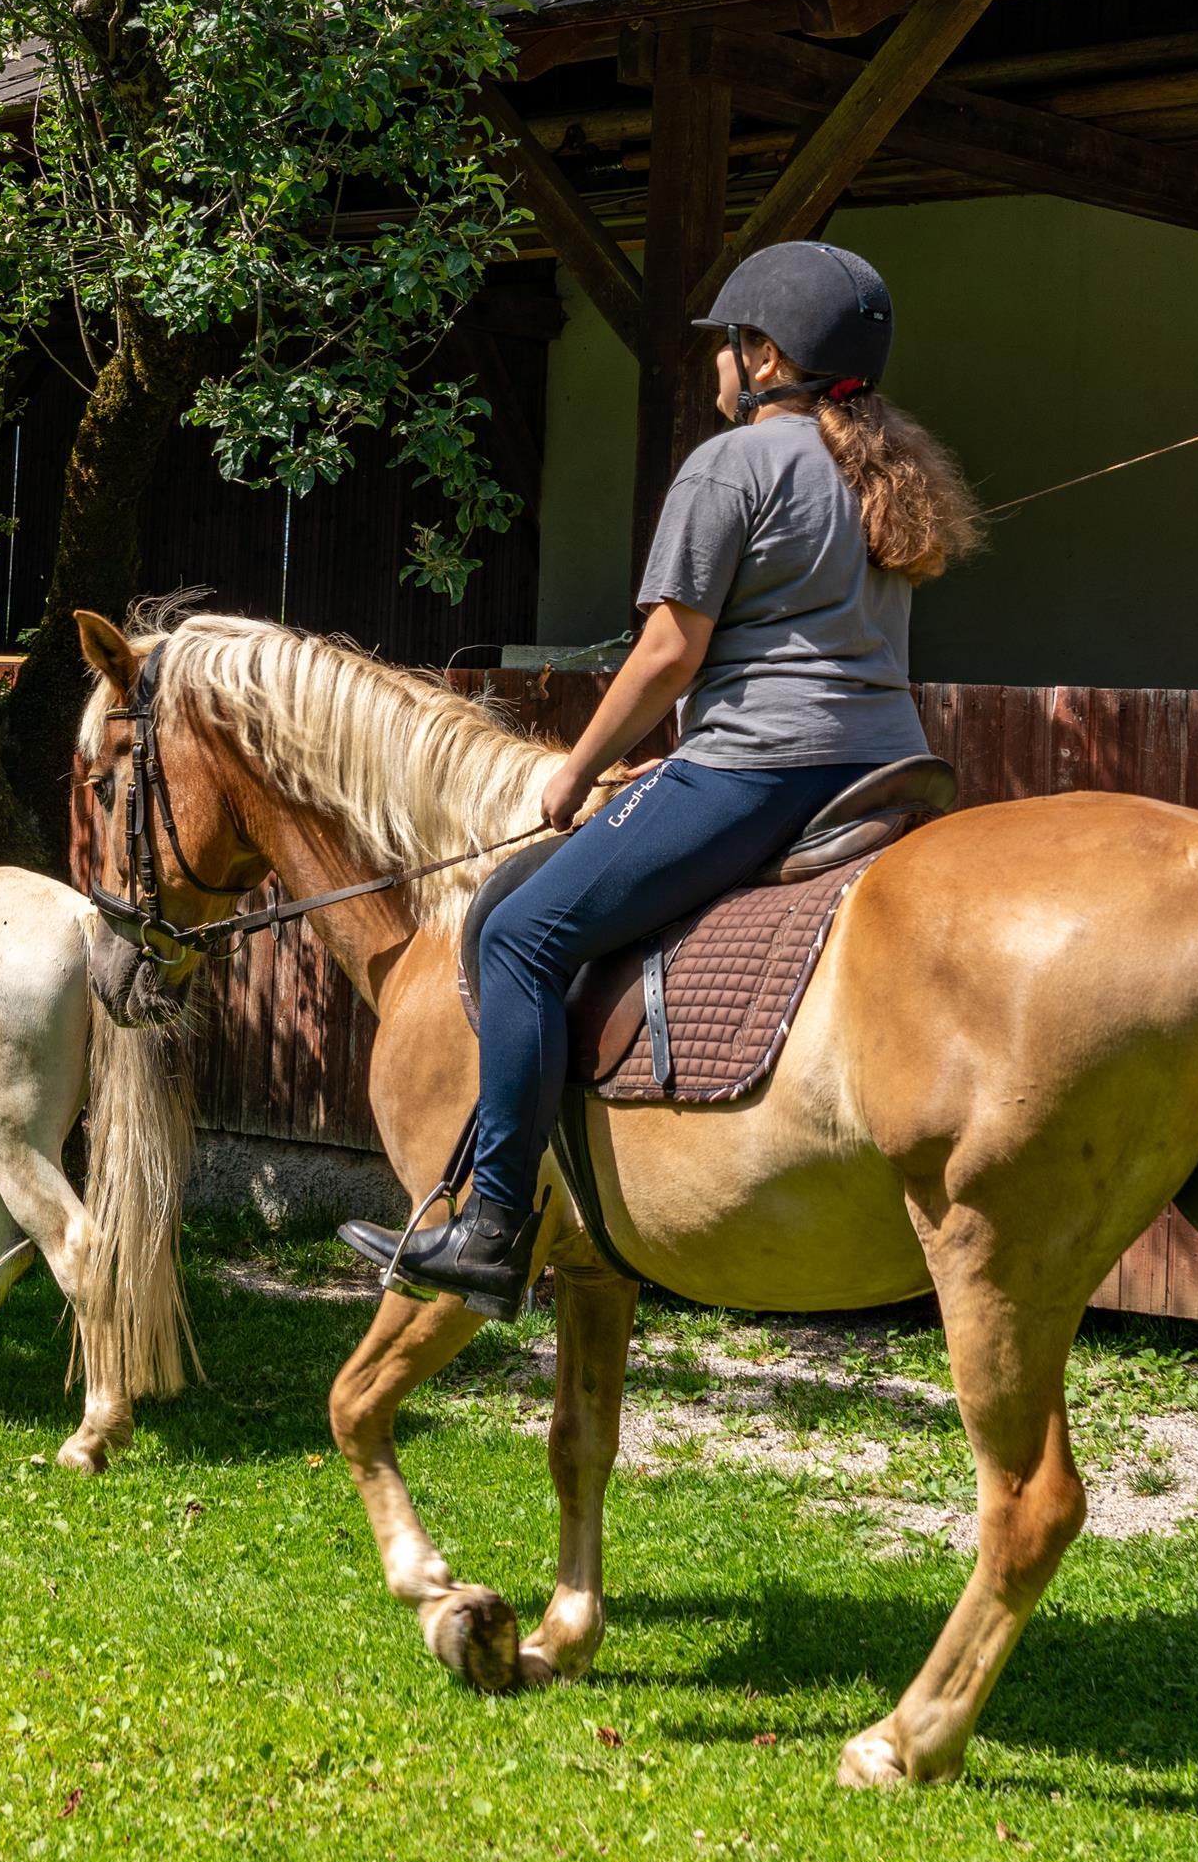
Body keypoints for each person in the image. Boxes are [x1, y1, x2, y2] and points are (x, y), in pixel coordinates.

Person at [344, 241, 982, 1316]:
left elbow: (670, 652)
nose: (715, 366)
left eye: (725, 346)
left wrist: (577, 769)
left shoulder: (730, 464)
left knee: (517, 933)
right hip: (881, 764)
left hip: (762, 769)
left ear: (765, 355)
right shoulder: (876, 468)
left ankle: (492, 1225)